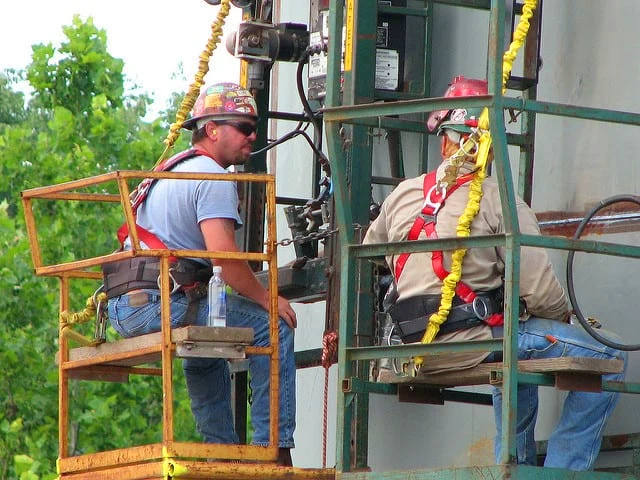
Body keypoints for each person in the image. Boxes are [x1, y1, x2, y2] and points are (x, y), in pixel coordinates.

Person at [362, 75, 627, 471]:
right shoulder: (499, 198)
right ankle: (561, 471)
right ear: (489, 144)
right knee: (609, 350)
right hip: (470, 343)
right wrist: (566, 320)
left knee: (515, 350)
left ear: (444, 139)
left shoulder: (403, 193)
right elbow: (541, 292)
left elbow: (370, 252)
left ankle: (514, 464)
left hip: (411, 351)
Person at [103, 83, 297, 466]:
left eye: (253, 126)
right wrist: (268, 298)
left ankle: (222, 453)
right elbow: (224, 259)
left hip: (127, 304)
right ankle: (272, 451)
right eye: (242, 127)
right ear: (212, 130)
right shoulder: (211, 177)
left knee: (209, 338)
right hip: (157, 301)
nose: (252, 135)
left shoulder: (173, 169)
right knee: (273, 326)